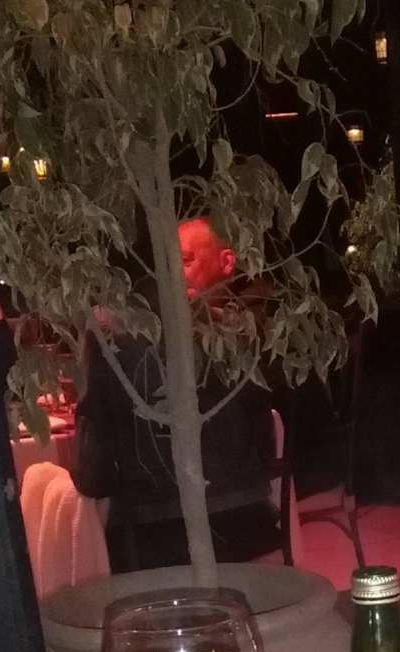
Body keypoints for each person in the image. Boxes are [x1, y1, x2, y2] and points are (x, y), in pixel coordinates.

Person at [73, 219, 280, 571]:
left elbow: (94, 473)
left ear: (227, 262)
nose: (174, 275)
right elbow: (266, 448)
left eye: (185, 261)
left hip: (152, 532)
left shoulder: (109, 328)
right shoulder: (250, 330)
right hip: (248, 519)